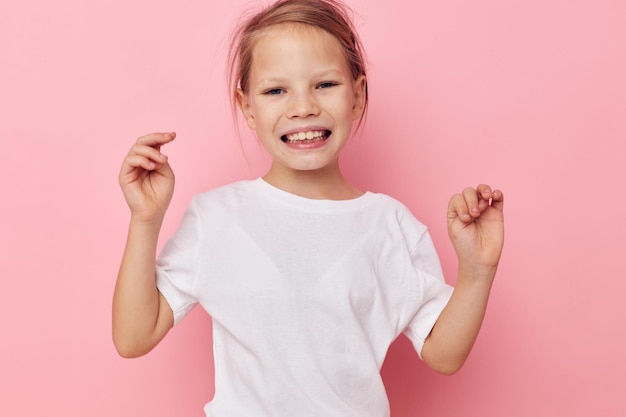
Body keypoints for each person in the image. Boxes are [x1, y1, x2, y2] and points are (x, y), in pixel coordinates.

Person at [112, 0, 505, 415]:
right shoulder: (216, 218)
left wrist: (478, 273)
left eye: (325, 85)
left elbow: (443, 354)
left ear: (358, 95)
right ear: (247, 106)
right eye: (275, 90)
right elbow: (133, 337)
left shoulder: (391, 225)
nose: (302, 107)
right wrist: (145, 220)